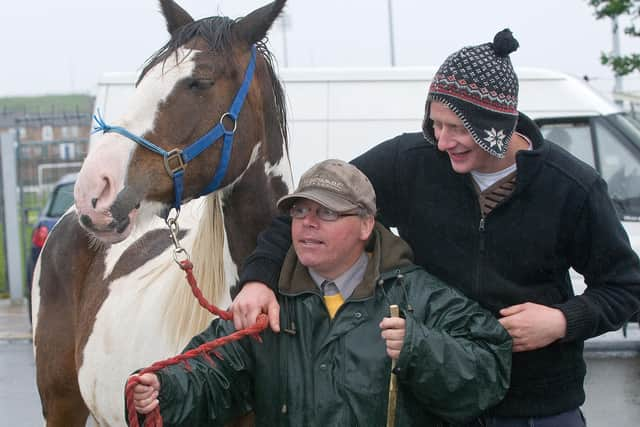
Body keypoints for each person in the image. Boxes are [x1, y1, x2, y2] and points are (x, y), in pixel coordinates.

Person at [231, 29, 640, 427]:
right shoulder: (410, 161)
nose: (442, 142)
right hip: (435, 400)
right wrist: (258, 279)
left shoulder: (573, 188)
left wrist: (563, 321)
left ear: (496, 127)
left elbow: (626, 287)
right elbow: (310, 207)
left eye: (458, 129)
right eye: (436, 124)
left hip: (538, 405)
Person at [130, 159, 512, 426]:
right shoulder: (270, 306)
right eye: (299, 212)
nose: (308, 224)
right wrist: (164, 391)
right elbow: (211, 372)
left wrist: (420, 347)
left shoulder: (418, 295)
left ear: (365, 224)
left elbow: (490, 368)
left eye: (326, 213)